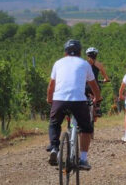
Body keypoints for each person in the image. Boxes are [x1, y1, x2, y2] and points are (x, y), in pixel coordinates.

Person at [46, 39, 102, 170]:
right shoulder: (85, 64)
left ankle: (54, 148)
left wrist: (50, 100)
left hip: (59, 100)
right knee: (86, 129)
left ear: (65, 52)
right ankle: (83, 159)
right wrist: (97, 99)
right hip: (78, 101)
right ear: (80, 52)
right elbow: (94, 86)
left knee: (54, 123)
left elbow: (51, 86)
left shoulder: (58, 63)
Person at [85, 47, 110, 117]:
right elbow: (106, 77)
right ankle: (98, 108)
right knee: (98, 95)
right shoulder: (99, 64)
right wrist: (106, 79)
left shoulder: (84, 64)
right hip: (95, 86)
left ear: (87, 55)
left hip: (85, 86)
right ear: (96, 55)